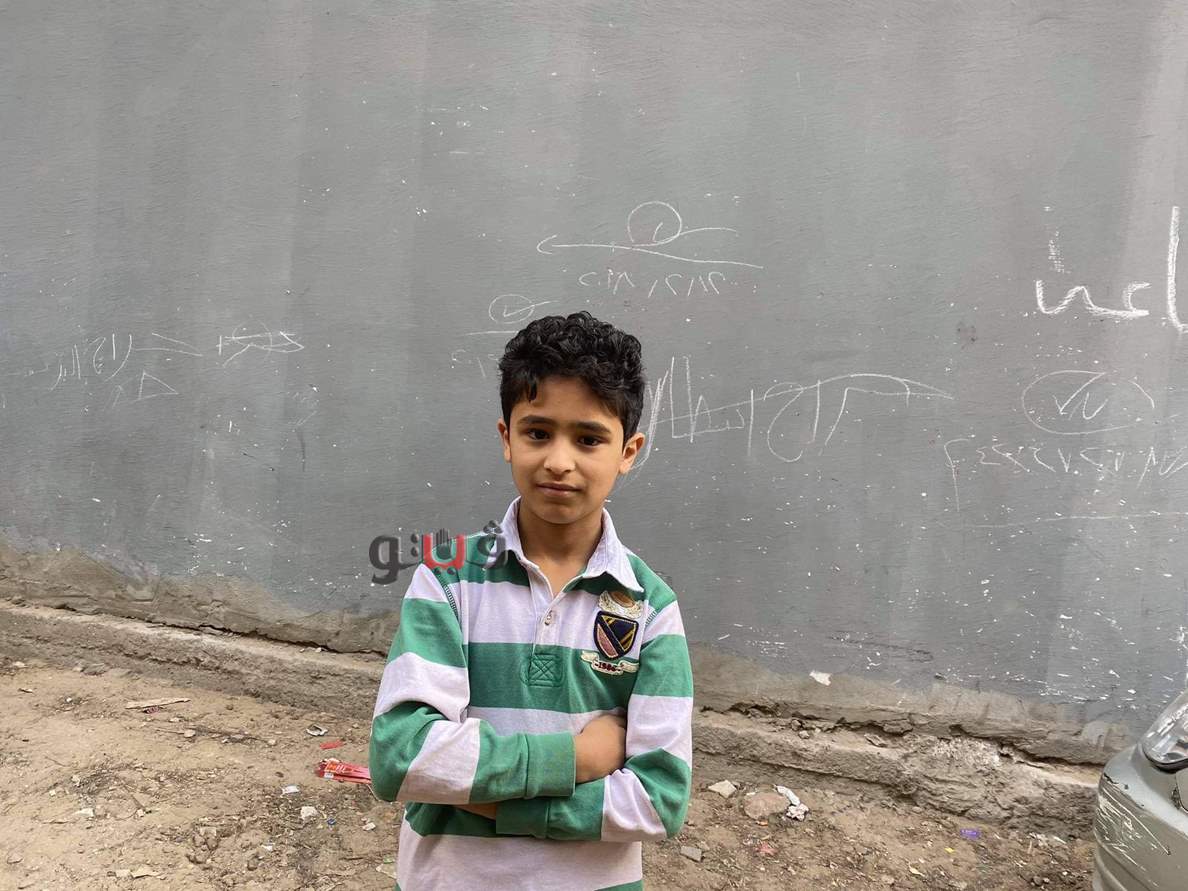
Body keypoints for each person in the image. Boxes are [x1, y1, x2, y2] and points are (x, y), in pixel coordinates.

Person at [369, 311, 694, 890]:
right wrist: (580, 759)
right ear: (506, 438)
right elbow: (403, 757)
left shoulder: (650, 606)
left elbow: (657, 801)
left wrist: (491, 802)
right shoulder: (449, 579)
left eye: (588, 439)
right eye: (538, 433)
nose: (559, 461)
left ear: (628, 451)